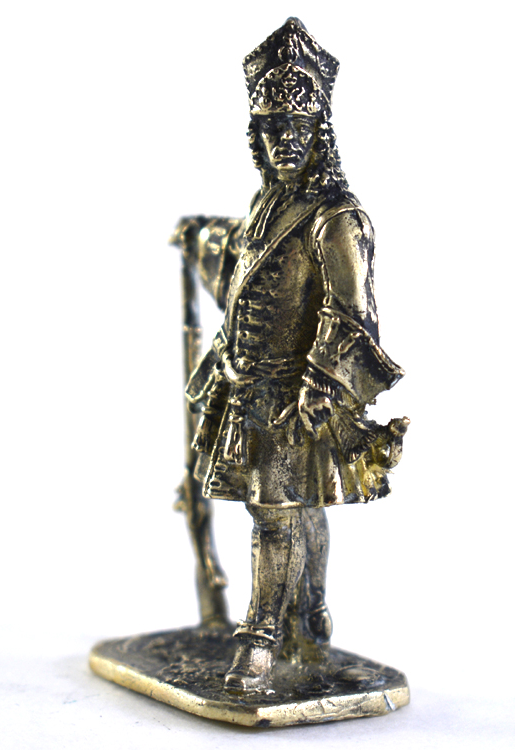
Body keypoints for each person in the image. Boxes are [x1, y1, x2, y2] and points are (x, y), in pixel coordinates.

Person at [173, 17, 408, 694]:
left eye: (297, 130)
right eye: (273, 129)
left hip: (294, 394)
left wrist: (322, 384)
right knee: (297, 509)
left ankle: (261, 641)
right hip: (244, 386)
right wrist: (202, 237)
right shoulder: (265, 202)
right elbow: (246, 266)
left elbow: (351, 311)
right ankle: (310, 620)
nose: (284, 142)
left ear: (317, 134)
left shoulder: (339, 217)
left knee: (276, 516)